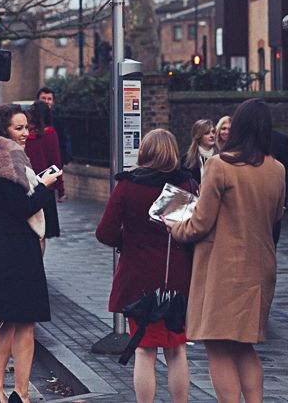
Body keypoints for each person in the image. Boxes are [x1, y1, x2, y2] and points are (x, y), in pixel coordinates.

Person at [169, 99, 285, 403]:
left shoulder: (220, 166)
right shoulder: (277, 169)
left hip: (224, 269)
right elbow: (274, 217)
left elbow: (200, 223)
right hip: (260, 266)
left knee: (218, 346)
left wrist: (174, 227)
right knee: (244, 346)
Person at [0, 104, 62, 403]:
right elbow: (22, 208)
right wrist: (45, 186)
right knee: (24, 321)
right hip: (16, 251)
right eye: (18, 128)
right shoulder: (9, 159)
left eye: (26, 127)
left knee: (11, 321)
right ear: (2, 129)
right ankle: (20, 393)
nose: (25, 133)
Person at [96, 129, 193, 403]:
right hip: (175, 276)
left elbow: (104, 232)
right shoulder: (185, 185)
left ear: (144, 152)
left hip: (137, 278)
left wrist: (125, 241)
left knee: (143, 349)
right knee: (176, 349)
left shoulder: (127, 186)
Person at [26, 100, 65, 203]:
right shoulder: (50, 134)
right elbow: (56, 162)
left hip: (27, 184)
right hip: (46, 183)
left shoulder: (24, 136)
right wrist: (61, 190)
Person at [37, 86, 71, 197]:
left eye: (49, 99)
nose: (46, 102)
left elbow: (63, 142)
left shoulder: (58, 119)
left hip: (51, 165)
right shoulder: (31, 119)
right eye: (43, 98)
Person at [270, 128, 288, 245]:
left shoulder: (280, 139)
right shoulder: (244, 137)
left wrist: (283, 203)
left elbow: (285, 175)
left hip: (274, 201)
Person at [181, 119, 216, 184]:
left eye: (213, 132)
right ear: (199, 136)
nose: (212, 135)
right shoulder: (187, 159)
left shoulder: (221, 156)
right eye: (207, 133)